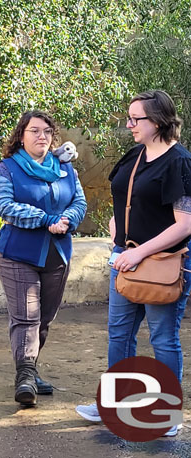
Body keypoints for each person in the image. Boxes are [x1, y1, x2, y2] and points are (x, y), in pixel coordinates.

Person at [76, 90, 191, 437]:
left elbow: (185, 224)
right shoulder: (134, 156)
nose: (128, 125)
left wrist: (139, 252)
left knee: (163, 337)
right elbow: (123, 197)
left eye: (135, 119)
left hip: (163, 265)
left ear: (157, 121)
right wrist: (117, 229)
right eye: (128, 118)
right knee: (119, 335)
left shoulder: (179, 162)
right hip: (125, 259)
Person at [0, 110, 87, 407]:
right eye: (34, 131)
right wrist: (46, 219)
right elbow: (5, 206)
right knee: (26, 318)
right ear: (21, 135)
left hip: (57, 253)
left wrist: (67, 221)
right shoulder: (7, 169)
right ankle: (25, 378)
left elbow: (79, 201)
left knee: (44, 319)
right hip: (18, 253)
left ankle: (29, 369)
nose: (41, 136)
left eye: (46, 131)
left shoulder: (65, 168)